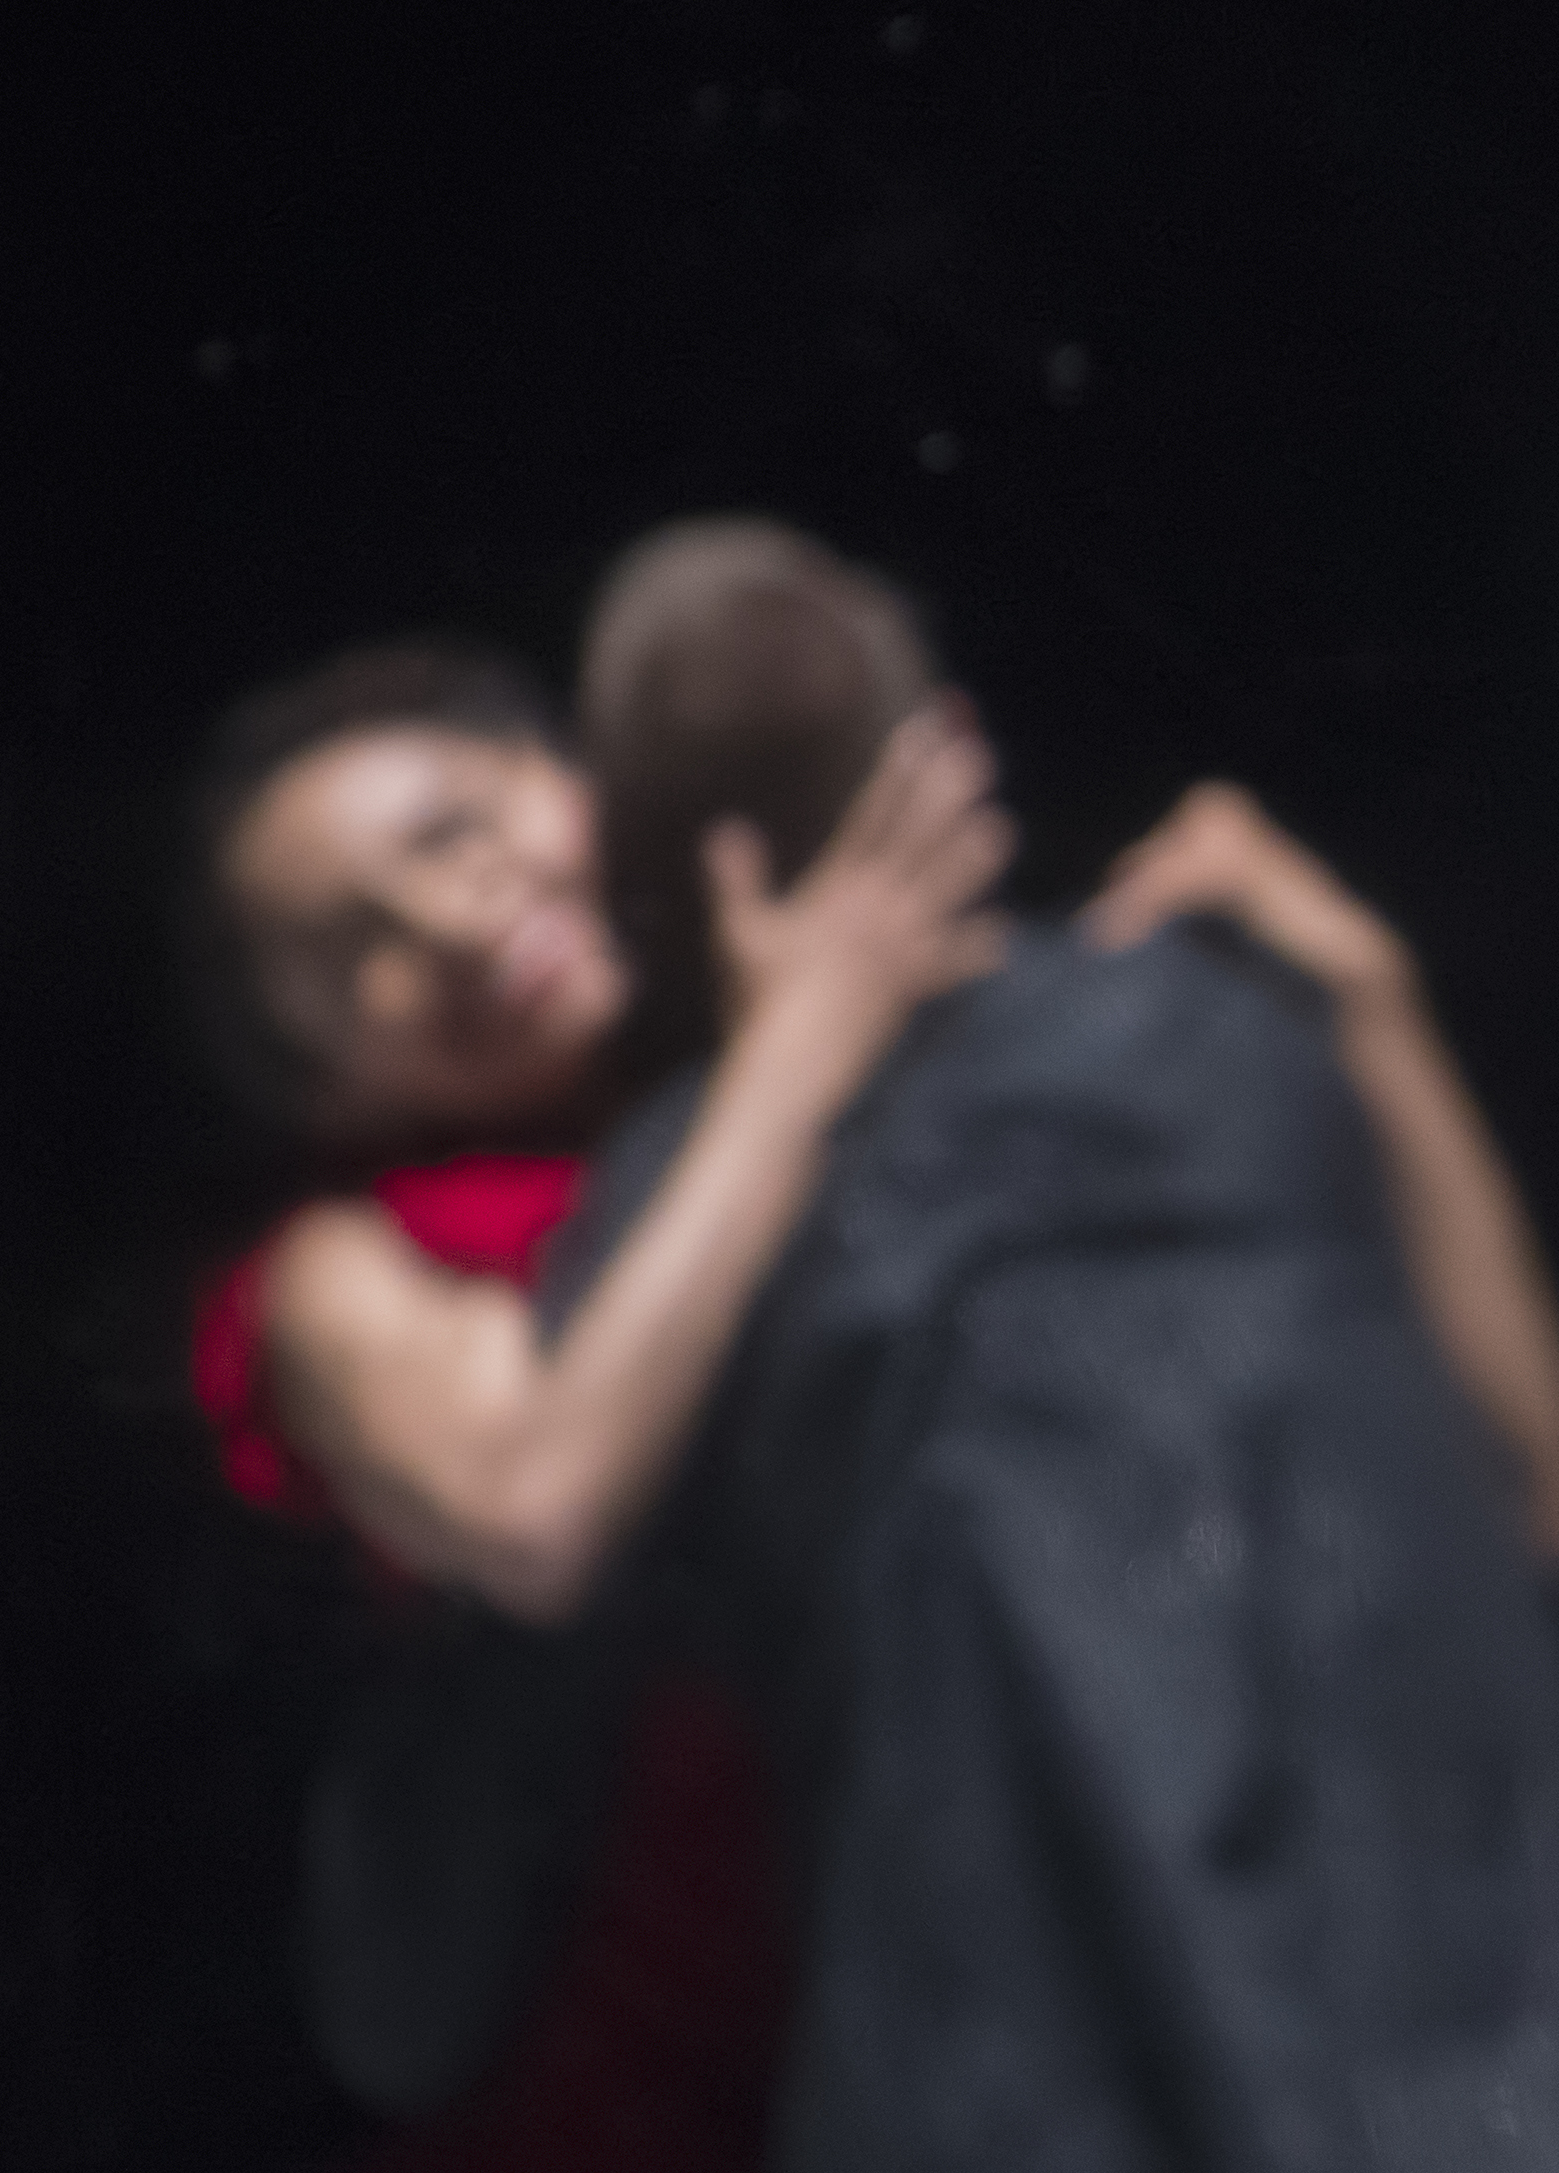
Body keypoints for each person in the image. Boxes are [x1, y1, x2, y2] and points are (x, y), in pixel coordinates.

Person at [541, 518, 1559, 2171]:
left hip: (1007, 2081)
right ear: (947, 750)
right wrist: (1368, 999)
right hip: (1473, 2043)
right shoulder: (1229, 1034)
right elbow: (1537, 1489)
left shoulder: (680, 1208)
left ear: (659, 872)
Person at [184, 634, 1011, 2164]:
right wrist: (798, 1051)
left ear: (583, 784)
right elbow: (536, 1502)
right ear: (327, 1086)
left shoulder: (854, 1067)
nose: (450, 914)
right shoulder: (343, 1273)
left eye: (455, 826)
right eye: (349, 946)